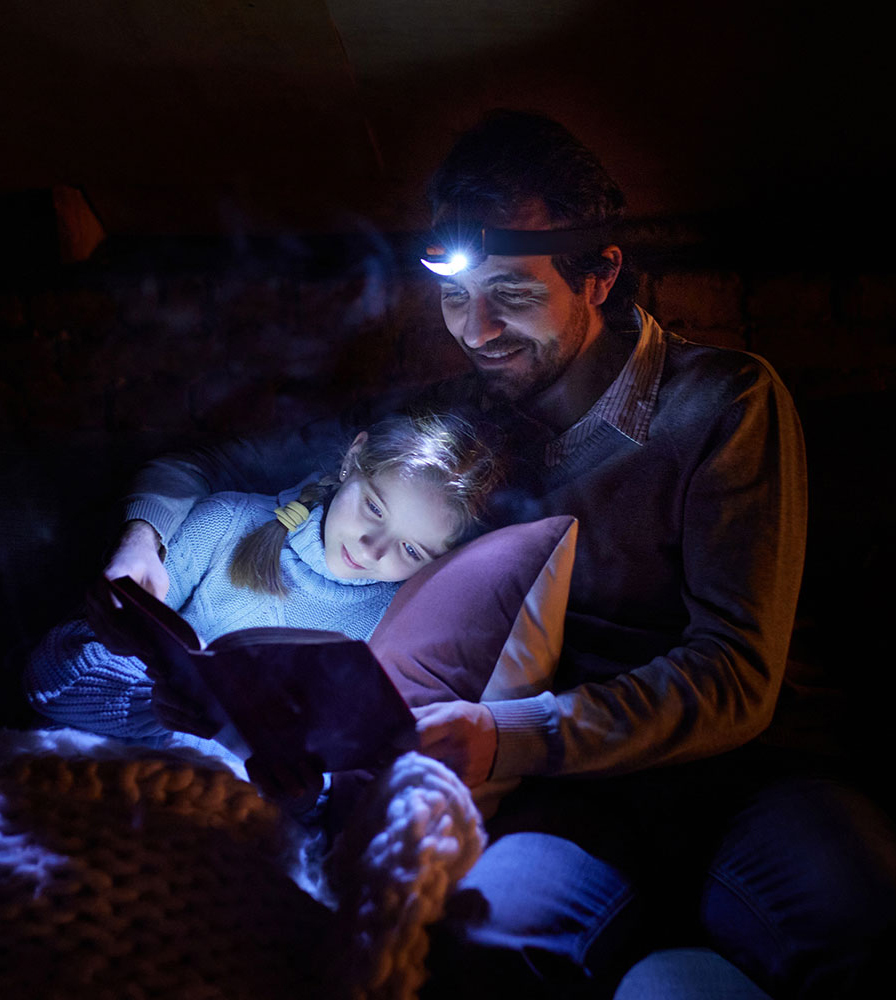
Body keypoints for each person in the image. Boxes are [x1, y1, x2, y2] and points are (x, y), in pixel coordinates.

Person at [86, 111, 896, 997]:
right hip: (560, 798)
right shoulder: (451, 419)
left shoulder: (724, 402)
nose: (476, 330)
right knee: (483, 944)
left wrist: (506, 734)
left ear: (600, 274)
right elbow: (208, 466)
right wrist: (145, 537)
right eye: (455, 295)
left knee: (851, 912)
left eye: (510, 292)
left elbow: (735, 672)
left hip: (745, 773)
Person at [25, 410, 500, 787]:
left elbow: (342, 776)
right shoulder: (224, 526)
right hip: (109, 776)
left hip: (232, 823)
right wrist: (157, 708)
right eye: (373, 507)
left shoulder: (394, 623)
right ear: (351, 460)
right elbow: (52, 669)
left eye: (411, 550)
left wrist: (302, 791)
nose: (371, 549)